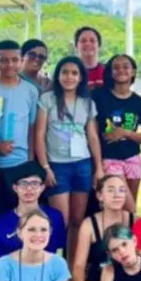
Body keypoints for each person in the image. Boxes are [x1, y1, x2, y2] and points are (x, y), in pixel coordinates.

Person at [36, 56, 103, 261]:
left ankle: (72, 266)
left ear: (81, 77)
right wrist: (45, 167)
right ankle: (50, 263)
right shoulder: (47, 99)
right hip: (57, 166)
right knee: (59, 221)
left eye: (74, 73)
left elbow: (92, 136)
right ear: (58, 75)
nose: (69, 77)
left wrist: (98, 167)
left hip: (82, 165)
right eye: (65, 72)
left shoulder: (87, 103)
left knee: (76, 220)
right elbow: (39, 134)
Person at [0, 40, 41, 219]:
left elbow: (32, 128)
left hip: (21, 165)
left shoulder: (31, 91)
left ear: (22, 60)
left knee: (21, 217)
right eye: (4, 60)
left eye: (15, 60)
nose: (10, 65)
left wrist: (30, 160)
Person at [94, 54, 141, 213]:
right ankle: (136, 234)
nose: (121, 70)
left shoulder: (140, 103)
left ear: (133, 71)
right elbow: (93, 132)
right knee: (128, 207)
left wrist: (126, 133)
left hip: (133, 159)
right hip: (110, 160)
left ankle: (126, 236)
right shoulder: (99, 97)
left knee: (127, 208)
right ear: (111, 72)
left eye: (126, 66)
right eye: (116, 67)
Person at [0, 161, 66, 272]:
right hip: (10, 280)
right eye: (23, 184)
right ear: (15, 188)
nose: (29, 189)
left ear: (42, 187)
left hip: (45, 278)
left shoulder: (55, 217)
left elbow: (57, 255)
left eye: (35, 183)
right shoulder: (0, 223)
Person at [72, 174, 133, 281]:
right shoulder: (89, 224)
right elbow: (79, 264)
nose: (117, 195)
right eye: (111, 190)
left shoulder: (133, 220)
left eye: (121, 190)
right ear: (100, 195)